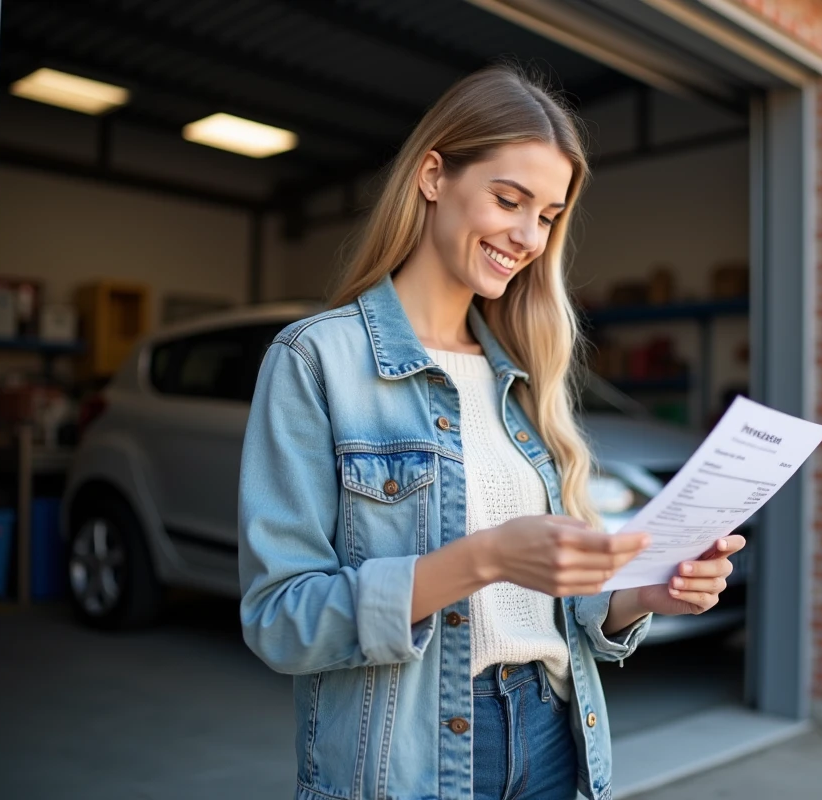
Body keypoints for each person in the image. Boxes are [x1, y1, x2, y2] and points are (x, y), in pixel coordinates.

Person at [238, 64, 746, 800]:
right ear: (433, 176)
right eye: (509, 200)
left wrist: (641, 597)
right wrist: (483, 559)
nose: (528, 236)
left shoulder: (526, 372)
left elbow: (551, 606)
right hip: (410, 759)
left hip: (552, 733)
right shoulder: (317, 360)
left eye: (548, 215)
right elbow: (281, 621)